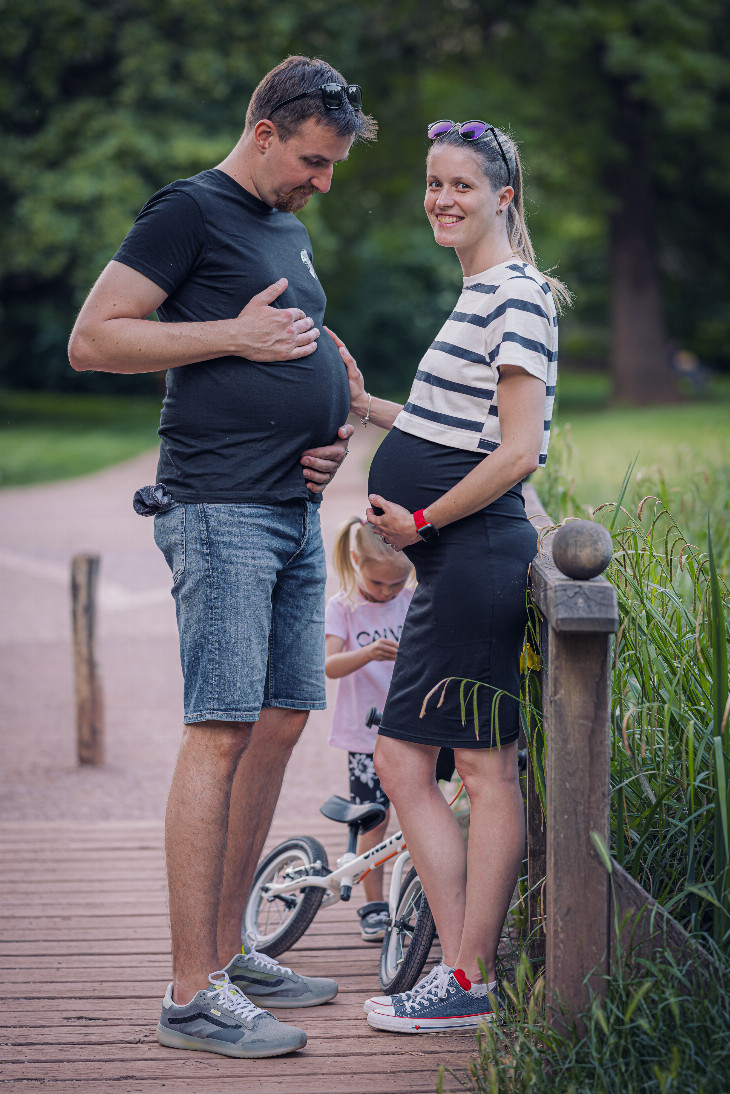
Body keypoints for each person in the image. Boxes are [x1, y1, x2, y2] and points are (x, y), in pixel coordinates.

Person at [68, 56, 377, 1059]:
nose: (322, 182)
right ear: (265, 132)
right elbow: (94, 338)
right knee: (221, 728)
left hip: (290, 505)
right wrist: (234, 337)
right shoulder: (188, 210)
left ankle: (232, 951)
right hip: (218, 509)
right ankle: (190, 990)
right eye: (313, 161)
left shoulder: (285, 224)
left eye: (332, 167)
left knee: (282, 719)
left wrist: (328, 433)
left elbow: (300, 348)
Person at [327, 117, 569, 1033]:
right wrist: (369, 406)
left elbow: (518, 452)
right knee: (435, 761)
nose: (442, 199)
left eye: (461, 185)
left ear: (503, 197)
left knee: (466, 766)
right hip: (458, 563)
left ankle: (466, 978)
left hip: (472, 557)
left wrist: (422, 521)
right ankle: (466, 968)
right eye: (433, 183)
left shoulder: (516, 294)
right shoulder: (481, 293)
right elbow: (457, 428)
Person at [324, 517, 414, 941]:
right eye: (379, 583)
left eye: (396, 584)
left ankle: (418, 898)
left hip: (410, 726)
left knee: (418, 815)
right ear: (356, 561)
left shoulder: (411, 599)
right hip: (365, 735)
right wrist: (368, 653)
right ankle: (374, 905)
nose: (387, 593)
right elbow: (330, 665)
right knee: (373, 820)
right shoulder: (343, 606)